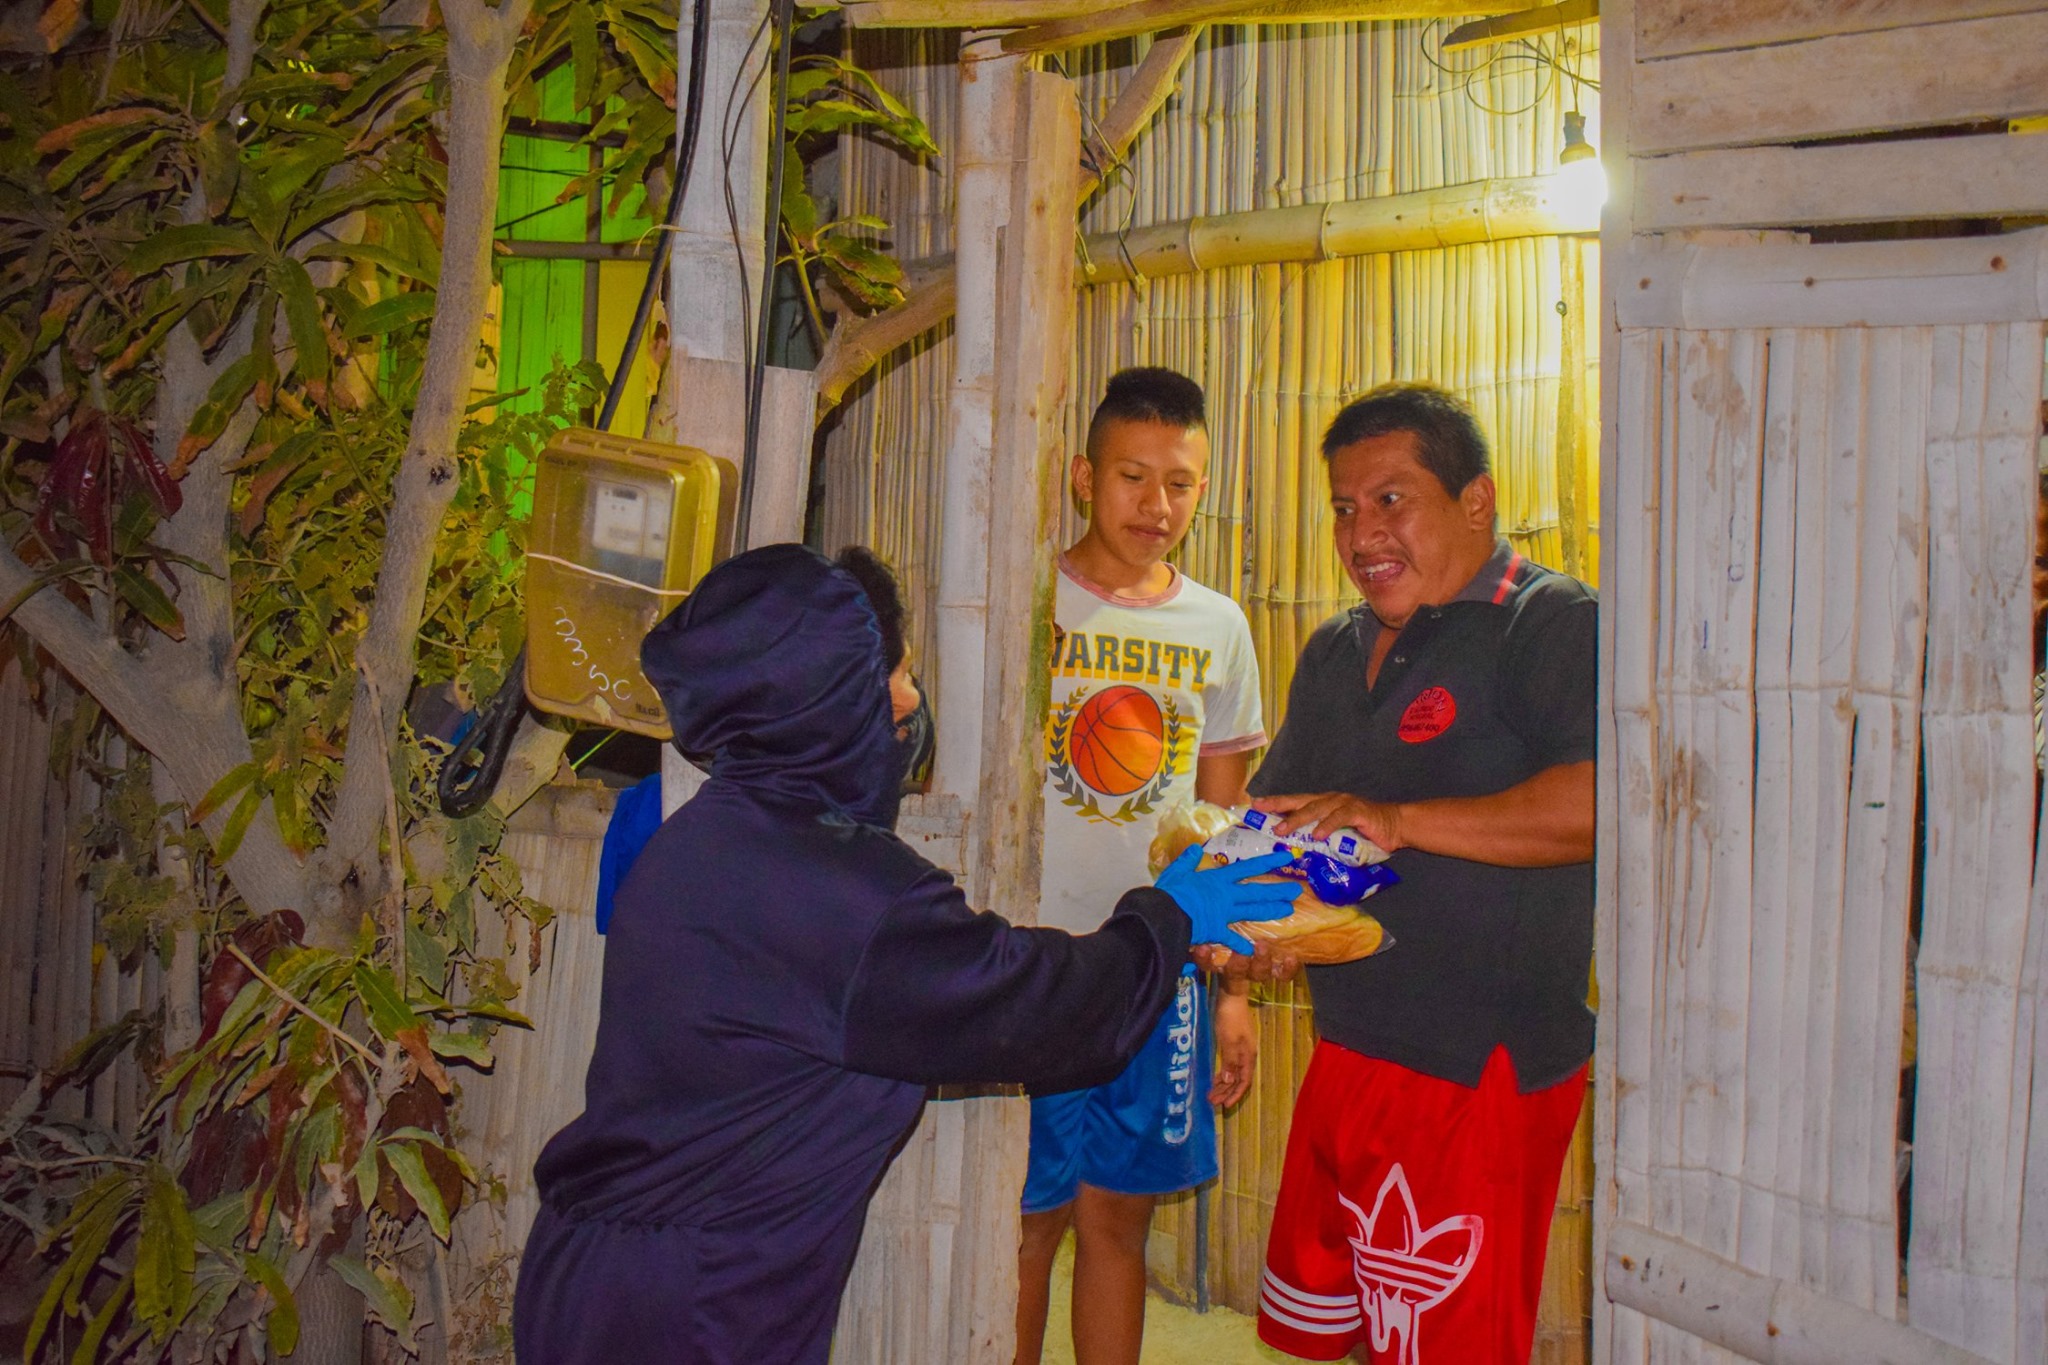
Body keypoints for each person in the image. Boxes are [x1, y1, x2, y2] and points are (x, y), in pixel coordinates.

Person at [511, 543, 1298, 1365]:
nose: (912, 699)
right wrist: (1170, 915)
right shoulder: (844, 894)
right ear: (832, 696)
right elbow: (1038, 1008)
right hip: (689, 1309)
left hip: (595, 1275)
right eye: (896, 671)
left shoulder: (702, 838)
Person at [1241, 384, 1596, 1364]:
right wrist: (1248, 918)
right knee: (1354, 1333)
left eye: (1390, 500)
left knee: (1443, 1342)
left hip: (1476, 1067)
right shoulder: (1333, 647)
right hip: (1350, 1042)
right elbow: (1287, 820)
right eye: (1343, 508)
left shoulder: (1548, 621)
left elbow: (1596, 805)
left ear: (1475, 501)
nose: (1361, 535)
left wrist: (1397, 822)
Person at [1017, 368, 1268, 1365]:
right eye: (1132, 476)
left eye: (1179, 483)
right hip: (1030, 962)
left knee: (1116, 1222)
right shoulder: (1026, 601)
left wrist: (1233, 991)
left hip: (1158, 970)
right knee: (1024, 1224)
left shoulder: (1219, 628)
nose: (1155, 504)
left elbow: (1223, 828)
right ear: (1085, 477)